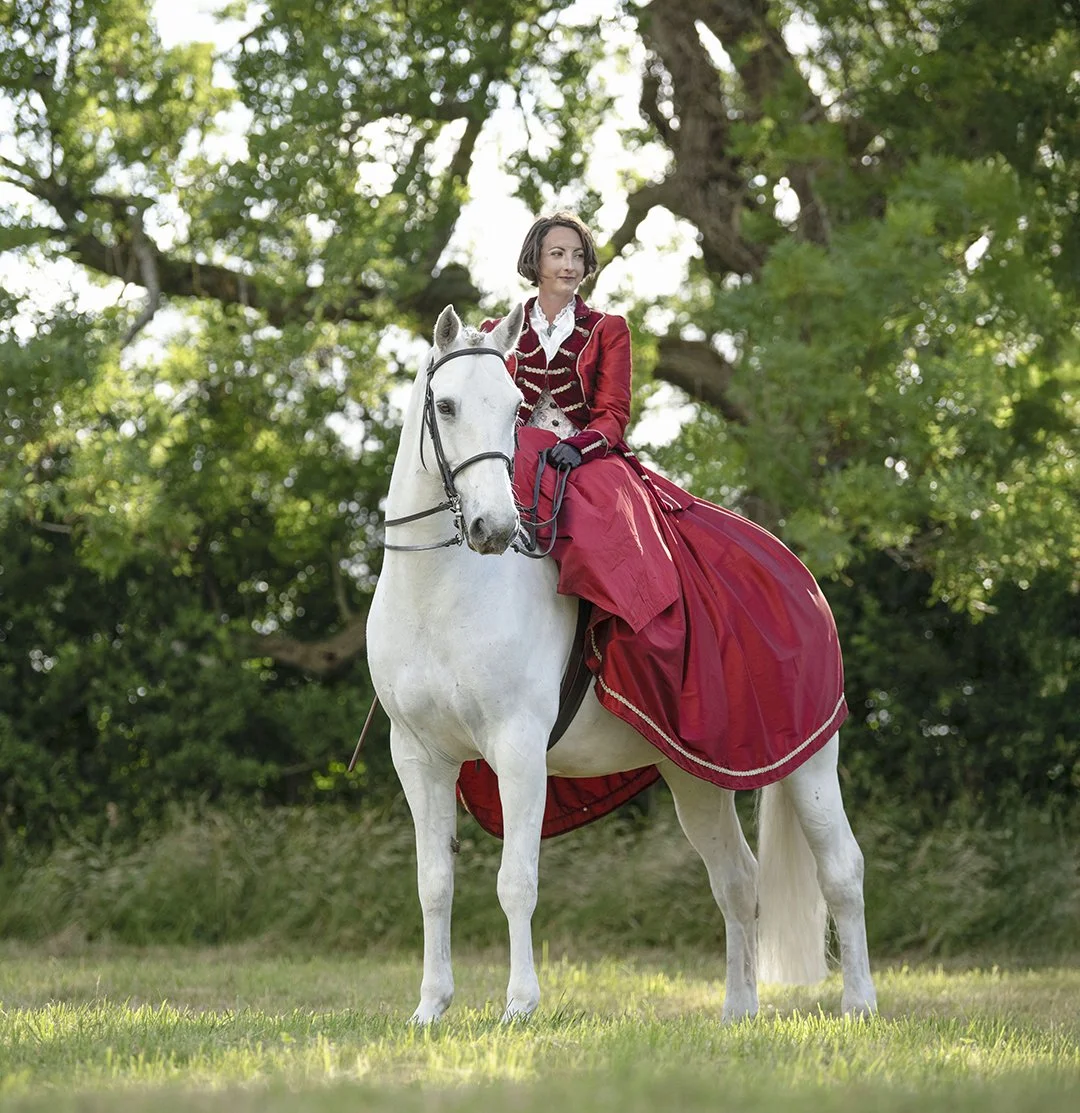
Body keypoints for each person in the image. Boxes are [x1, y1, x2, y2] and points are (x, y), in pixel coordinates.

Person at [456, 212, 848, 839]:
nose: (568, 264)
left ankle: (632, 647)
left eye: (578, 255)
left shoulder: (608, 328)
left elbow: (613, 413)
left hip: (585, 458)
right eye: (557, 253)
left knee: (612, 532)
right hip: (515, 460)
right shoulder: (493, 332)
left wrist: (578, 447)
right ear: (535, 260)